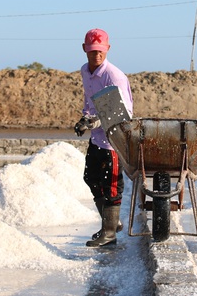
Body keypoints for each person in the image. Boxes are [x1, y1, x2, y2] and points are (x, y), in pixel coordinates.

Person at [74, 28, 133, 247]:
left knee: (112, 186)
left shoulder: (114, 76)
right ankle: (111, 222)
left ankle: (109, 234)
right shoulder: (85, 71)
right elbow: (89, 100)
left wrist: (95, 122)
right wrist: (84, 118)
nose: (96, 55)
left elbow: (123, 112)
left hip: (113, 140)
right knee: (91, 178)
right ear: (84, 50)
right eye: (92, 51)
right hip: (97, 138)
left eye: (100, 51)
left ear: (107, 49)